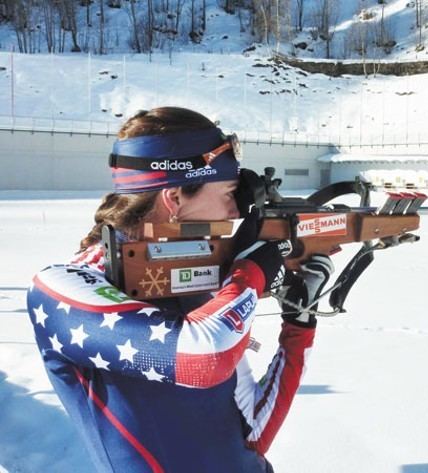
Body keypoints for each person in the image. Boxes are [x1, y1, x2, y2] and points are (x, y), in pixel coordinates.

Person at [26, 107, 334, 472]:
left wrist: (299, 322)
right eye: (229, 193)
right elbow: (204, 356)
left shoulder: (203, 284)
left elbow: (255, 430)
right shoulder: (64, 288)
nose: (236, 213)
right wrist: (250, 274)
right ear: (174, 199)